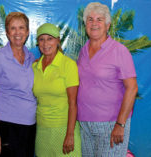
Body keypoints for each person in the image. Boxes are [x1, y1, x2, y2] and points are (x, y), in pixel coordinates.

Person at [77, 2, 138, 157]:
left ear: (108, 25)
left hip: (111, 124)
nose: (94, 23)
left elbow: (132, 88)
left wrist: (120, 123)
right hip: (85, 124)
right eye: (90, 19)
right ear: (85, 24)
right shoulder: (83, 52)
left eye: (99, 19)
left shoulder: (119, 51)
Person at [0, 12, 36, 157]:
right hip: (5, 126)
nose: (17, 32)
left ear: (27, 32)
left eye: (21, 28)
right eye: (13, 28)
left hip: (30, 126)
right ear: (7, 33)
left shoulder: (32, 58)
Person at [32, 23, 82, 157]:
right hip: (42, 130)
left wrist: (70, 135)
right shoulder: (34, 67)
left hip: (64, 128)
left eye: (50, 38)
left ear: (58, 41)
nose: (45, 43)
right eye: (41, 39)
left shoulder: (68, 65)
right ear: (37, 43)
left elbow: (73, 103)